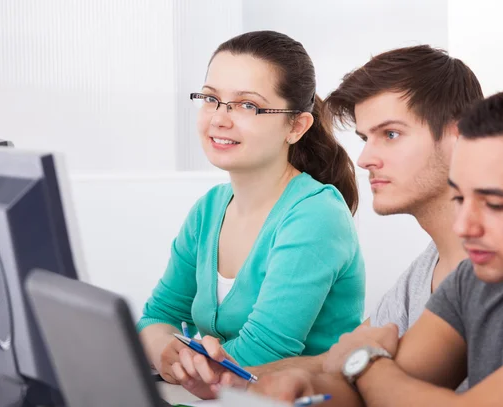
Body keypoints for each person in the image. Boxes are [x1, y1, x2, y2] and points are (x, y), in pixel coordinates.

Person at [250, 85, 503, 407]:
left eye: (494, 204)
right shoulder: (473, 279)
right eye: (460, 198)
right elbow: (379, 393)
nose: (464, 226)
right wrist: (303, 389)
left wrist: (364, 360)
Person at [180, 45, 484, 397]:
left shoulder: (494, 271)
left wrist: (361, 360)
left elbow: (366, 367)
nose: (366, 158)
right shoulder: (425, 270)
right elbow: (338, 360)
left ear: (461, 134)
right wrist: (235, 377)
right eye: (365, 138)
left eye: (391, 134)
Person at [136, 30, 366, 398]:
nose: (219, 119)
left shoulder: (316, 215)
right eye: (211, 99)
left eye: (246, 105)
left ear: (296, 126)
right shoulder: (208, 209)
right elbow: (156, 316)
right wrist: (167, 351)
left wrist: (191, 367)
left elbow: (265, 353)